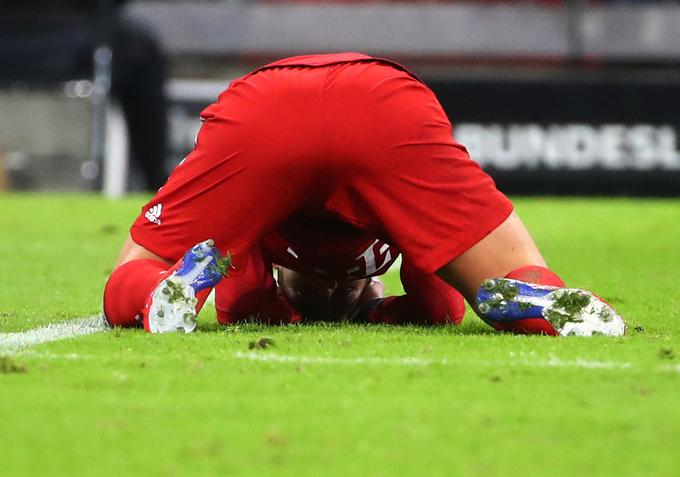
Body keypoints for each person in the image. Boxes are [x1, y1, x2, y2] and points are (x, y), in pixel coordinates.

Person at [103, 52, 625, 337]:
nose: (336, 292)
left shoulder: (256, 246)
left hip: (269, 111)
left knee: (133, 275)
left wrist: (288, 309)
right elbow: (440, 301)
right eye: (344, 297)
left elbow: (243, 306)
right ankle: (543, 298)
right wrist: (379, 311)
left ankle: (157, 294)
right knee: (508, 275)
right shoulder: (388, 230)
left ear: (286, 285)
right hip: (380, 104)